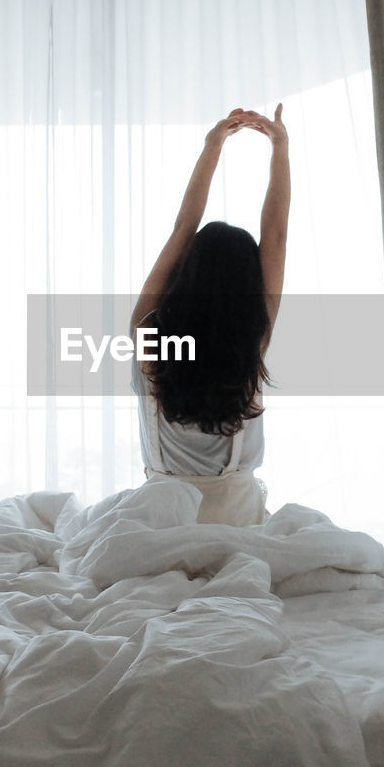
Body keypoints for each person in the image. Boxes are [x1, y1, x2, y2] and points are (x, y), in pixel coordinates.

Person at [131, 105, 290, 526]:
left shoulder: (147, 335)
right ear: (248, 288)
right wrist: (280, 147)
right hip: (240, 526)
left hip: (157, 525)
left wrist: (213, 144)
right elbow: (275, 235)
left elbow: (184, 227)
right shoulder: (254, 337)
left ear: (186, 274)